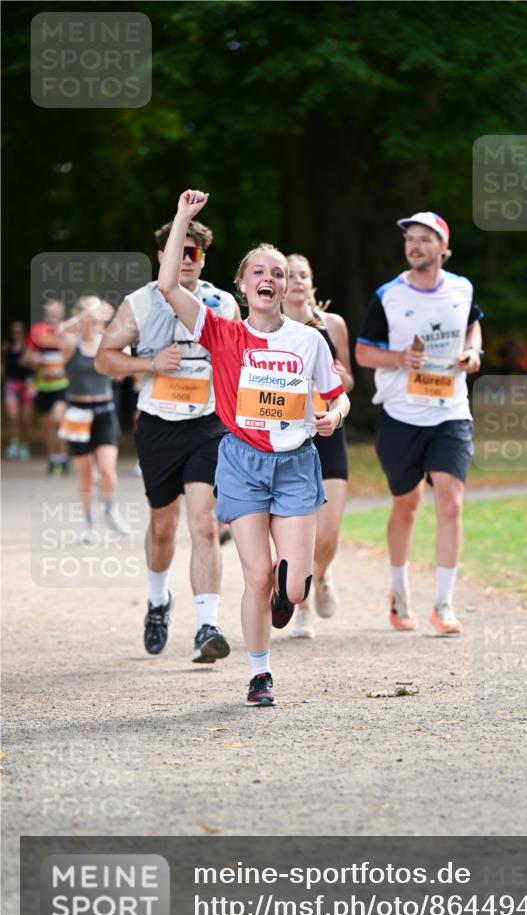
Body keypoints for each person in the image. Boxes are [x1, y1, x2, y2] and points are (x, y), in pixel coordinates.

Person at [157, 189, 350, 706]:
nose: (269, 279)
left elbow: (339, 396)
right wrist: (182, 219)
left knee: (292, 589)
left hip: (296, 464)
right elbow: (168, 283)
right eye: (259, 272)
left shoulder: (309, 340)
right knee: (257, 575)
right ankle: (259, 674)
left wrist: (332, 415)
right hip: (241, 462)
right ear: (243, 285)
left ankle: (288, 599)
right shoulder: (219, 333)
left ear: (285, 287)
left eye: (278, 273)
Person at [95, 214, 240, 665]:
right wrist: (151, 364)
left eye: (195, 253)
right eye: (180, 251)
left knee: (203, 521)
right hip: (159, 423)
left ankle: (206, 625)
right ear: (164, 257)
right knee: (164, 525)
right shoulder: (140, 303)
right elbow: (104, 359)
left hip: (208, 425)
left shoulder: (223, 304)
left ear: (203, 259)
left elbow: (239, 363)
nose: (187, 260)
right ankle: (158, 602)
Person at [355, 211, 483, 635]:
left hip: (450, 411)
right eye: (410, 238)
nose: (415, 245)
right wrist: (399, 359)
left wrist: (473, 353)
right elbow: (362, 353)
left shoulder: (462, 288)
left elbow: (472, 326)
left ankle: (444, 605)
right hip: (401, 415)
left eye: (426, 238)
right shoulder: (389, 295)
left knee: (451, 501)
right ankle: (399, 591)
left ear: (444, 249)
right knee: (406, 505)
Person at [282, 254, 354, 639]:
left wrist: (342, 379)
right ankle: (303, 606)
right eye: (289, 275)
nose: (296, 280)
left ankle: (321, 575)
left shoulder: (333, 325)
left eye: (303, 274)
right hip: (288, 436)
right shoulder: (269, 328)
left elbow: (350, 385)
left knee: (327, 534)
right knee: (300, 530)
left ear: (312, 281)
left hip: (328, 432)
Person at [56, 296, 129, 543]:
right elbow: (59, 331)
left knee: (107, 470)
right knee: (86, 475)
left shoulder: (107, 343)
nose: (92, 315)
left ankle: (110, 508)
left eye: (97, 310)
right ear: (79, 314)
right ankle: (88, 522)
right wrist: (83, 316)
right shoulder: (71, 343)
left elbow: (126, 355)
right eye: (87, 311)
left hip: (104, 411)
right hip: (77, 412)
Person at [23, 299, 69, 474]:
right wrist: (34, 359)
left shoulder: (68, 330)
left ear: (62, 313)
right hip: (43, 384)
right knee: (46, 425)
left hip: (64, 384)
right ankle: (53, 458)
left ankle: (63, 457)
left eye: (56, 312)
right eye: (49, 312)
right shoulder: (37, 331)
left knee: (59, 418)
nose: (53, 315)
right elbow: (27, 357)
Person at [2, 321, 35, 461]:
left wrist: (29, 360)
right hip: (11, 383)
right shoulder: (6, 347)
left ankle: (24, 446)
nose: (16, 334)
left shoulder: (29, 348)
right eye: (14, 332)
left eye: (19, 332)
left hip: (27, 384)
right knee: (13, 416)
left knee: (26, 418)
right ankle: (14, 444)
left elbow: (35, 366)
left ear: (23, 333)